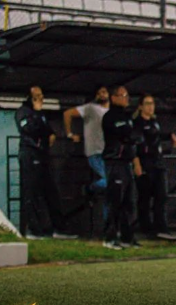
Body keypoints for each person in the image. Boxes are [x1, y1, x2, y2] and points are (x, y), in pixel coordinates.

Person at [15, 87, 76, 240]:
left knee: (51, 192)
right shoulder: (23, 112)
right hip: (30, 154)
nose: (41, 99)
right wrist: (39, 122)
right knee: (32, 193)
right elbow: (29, 129)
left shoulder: (41, 114)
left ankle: (58, 228)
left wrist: (51, 134)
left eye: (42, 95)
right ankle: (33, 229)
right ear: (29, 98)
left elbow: (48, 130)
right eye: (37, 96)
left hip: (43, 155)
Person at [133, 94, 176, 241]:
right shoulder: (137, 123)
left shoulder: (154, 122)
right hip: (145, 164)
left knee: (161, 196)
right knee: (145, 198)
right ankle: (146, 229)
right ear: (140, 106)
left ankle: (161, 227)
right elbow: (135, 144)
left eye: (152, 103)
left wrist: (170, 136)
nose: (150, 106)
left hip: (157, 164)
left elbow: (157, 136)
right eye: (147, 103)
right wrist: (137, 164)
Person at [102, 86, 142, 250]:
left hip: (126, 164)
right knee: (115, 202)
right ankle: (110, 237)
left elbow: (133, 136)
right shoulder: (109, 117)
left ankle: (128, 237)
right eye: (122, 95)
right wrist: (131, 136)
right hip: (114, 163)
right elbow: (126, 134)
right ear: (113, 98)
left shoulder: (127, 117)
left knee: (129, 202)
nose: (126, 98)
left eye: (127, 95)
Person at [63, 86, 110, 199]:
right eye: (99, 93)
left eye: (104, 92)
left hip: (109, 152)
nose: (102, 95)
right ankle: (90, 188)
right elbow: (67, 113)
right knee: (110, 181)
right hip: (95, 152)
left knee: (112, 186)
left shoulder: (111, 112)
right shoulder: (91, 108)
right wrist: (70, 134)